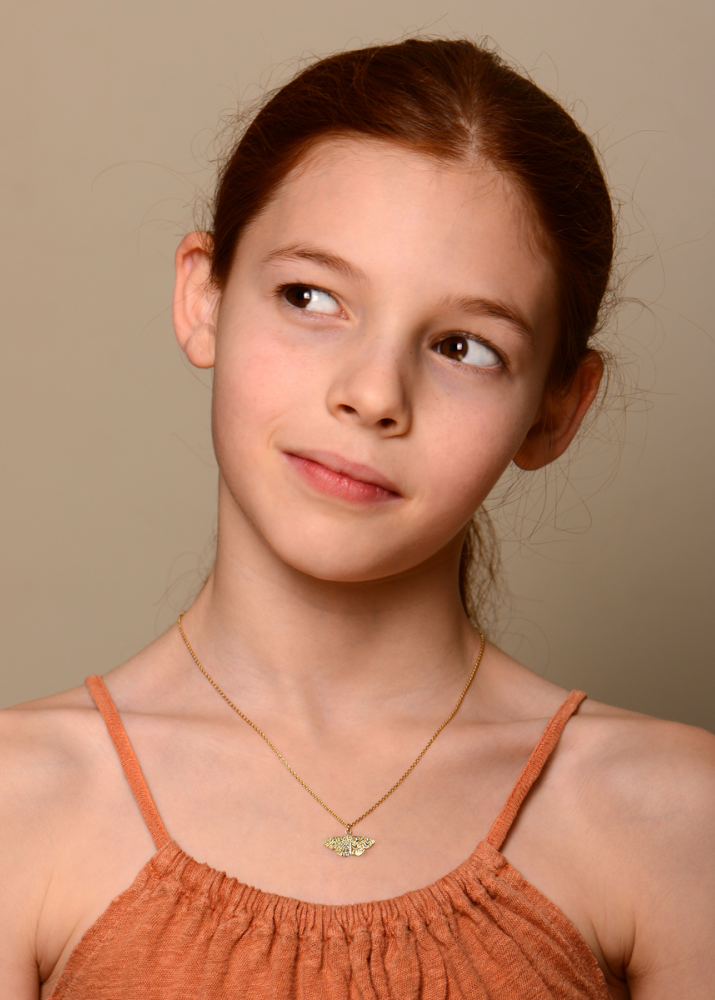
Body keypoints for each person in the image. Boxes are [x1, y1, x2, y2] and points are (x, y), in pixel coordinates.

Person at [1, 37, 713, 1000]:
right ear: (202, 297)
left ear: (557, 408)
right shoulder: (20, 804)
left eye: (464, 346)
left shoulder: (675, 820)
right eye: (311, 297)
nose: (373, 394)